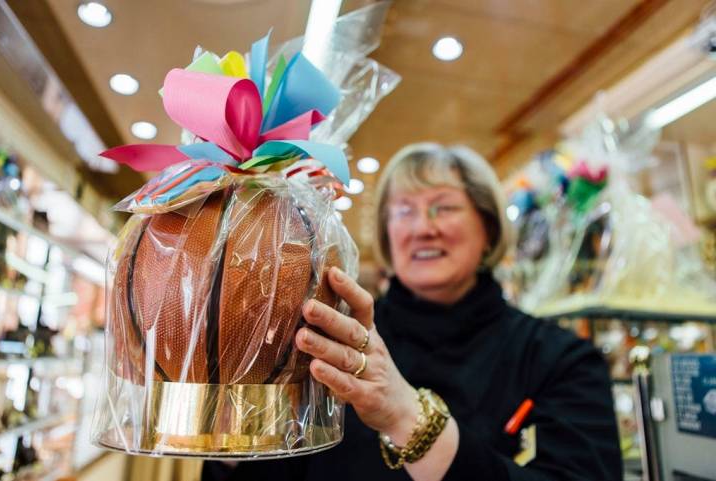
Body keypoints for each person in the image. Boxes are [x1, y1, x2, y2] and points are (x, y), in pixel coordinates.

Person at [202, 143, 622, 481]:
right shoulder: (328, 340)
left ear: (489, 227)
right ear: (387, 233)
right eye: (404, 211)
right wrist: (235, 440)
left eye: (444, 207)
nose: (423, 227)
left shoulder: (561, 359)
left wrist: (408, 418)